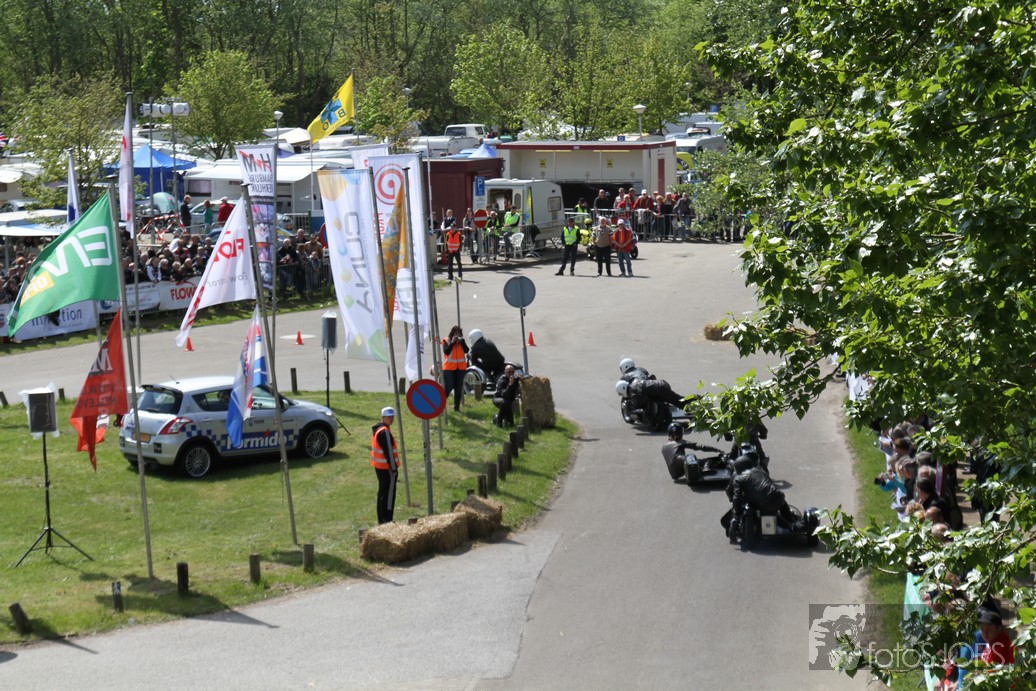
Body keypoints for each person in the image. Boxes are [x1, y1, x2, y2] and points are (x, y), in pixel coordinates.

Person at [727, 454, 798, 542]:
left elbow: (737, 496)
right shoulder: (761, 471)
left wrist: (736, 515)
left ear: (738, 467)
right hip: (778, 495)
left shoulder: (738, 478)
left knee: (768, 512)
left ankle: (788, 525)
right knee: (781, 504)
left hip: (763, 502)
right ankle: (792, 521)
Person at [370, 406, 399, 524]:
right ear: (383, 417)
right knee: (389, 494)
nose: (391, 419)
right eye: (389, 417)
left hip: (380, 467)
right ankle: (387, 519)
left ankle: (382, 519)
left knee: (382, 493)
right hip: (387, 469)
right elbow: (389, 453)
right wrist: (394, 468)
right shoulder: (384, 432)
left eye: (392, 417)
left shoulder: (378, 429)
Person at [441, 325, 469, 412]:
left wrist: (462, 342)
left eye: (459, 334)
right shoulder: (446, 341)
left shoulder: (461, 341)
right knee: (449, 386)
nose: (457, 335)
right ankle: (440, 403)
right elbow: (446, 351)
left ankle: (456, 408)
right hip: (449, 368)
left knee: (458, 388)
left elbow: (466, 350)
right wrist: (452, 343)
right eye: (455, 334)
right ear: (452, 334)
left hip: (460, 368)